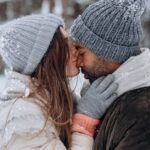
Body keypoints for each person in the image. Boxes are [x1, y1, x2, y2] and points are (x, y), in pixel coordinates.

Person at [0, 13, 118, 149]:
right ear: (46, 56)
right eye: (65, 42)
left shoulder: (56, 100)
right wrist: (84, 120)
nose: (75, 49)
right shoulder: (23, 117)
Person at [70, 0, 150, 149]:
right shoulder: (118, 98)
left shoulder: (141, 111)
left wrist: (84, 124)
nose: (77, 62)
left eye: (81, 52)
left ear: (107, 52)